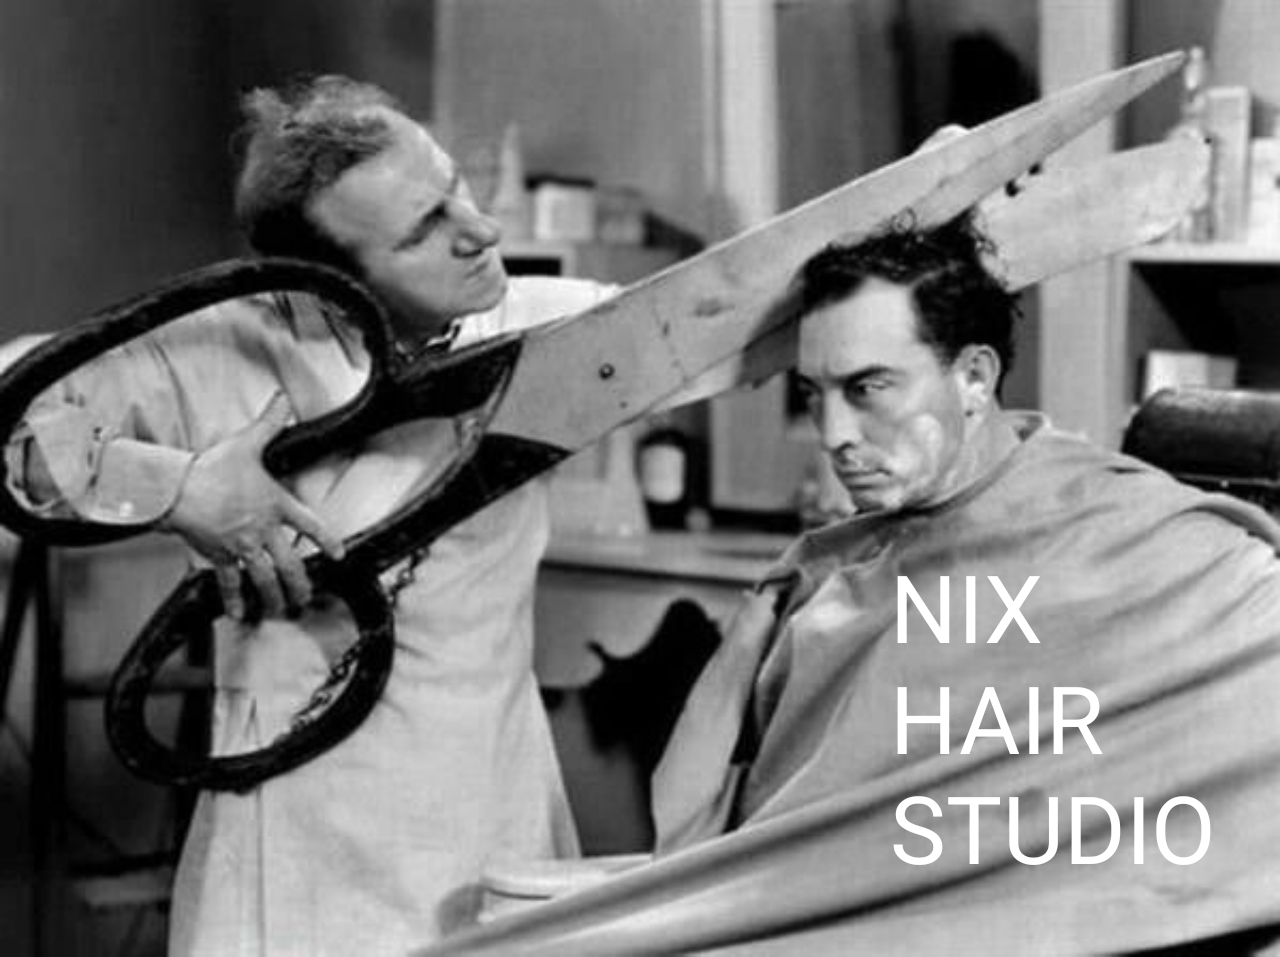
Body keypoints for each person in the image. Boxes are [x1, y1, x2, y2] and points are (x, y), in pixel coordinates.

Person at [7, 76, 619, 954]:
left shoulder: (548, 333)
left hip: (492, 807)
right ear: (324, 283)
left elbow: (743, 308)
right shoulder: (220, 348)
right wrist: (179, 488)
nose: (481, 231)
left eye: (456, 188)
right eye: (425, 229)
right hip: (299, 840)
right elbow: (15, 423)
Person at [648, 215, 1280, 952]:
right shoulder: (819, 578)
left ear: (975, 377)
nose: (833, 433)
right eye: (813, 393)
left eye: (867, 388)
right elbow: (695, 833)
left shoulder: (1141, 537)